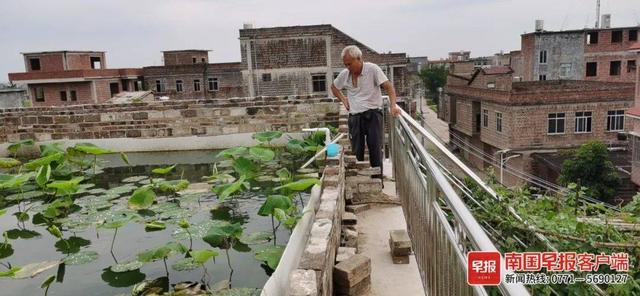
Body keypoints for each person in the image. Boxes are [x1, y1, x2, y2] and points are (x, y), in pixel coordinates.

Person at [331, 45, 401, 172]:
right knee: (356, 150)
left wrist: (392, 106)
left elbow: (389, 88)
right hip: (355, 117)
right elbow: (334, 88)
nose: (347, 67)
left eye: (350, 64)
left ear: (359, 58)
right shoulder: (345, 74)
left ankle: (377, 180)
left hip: (373, 115)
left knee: (375, 149)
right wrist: (344, 99)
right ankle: (358, 177)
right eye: (345, 64)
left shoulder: (372, 69)